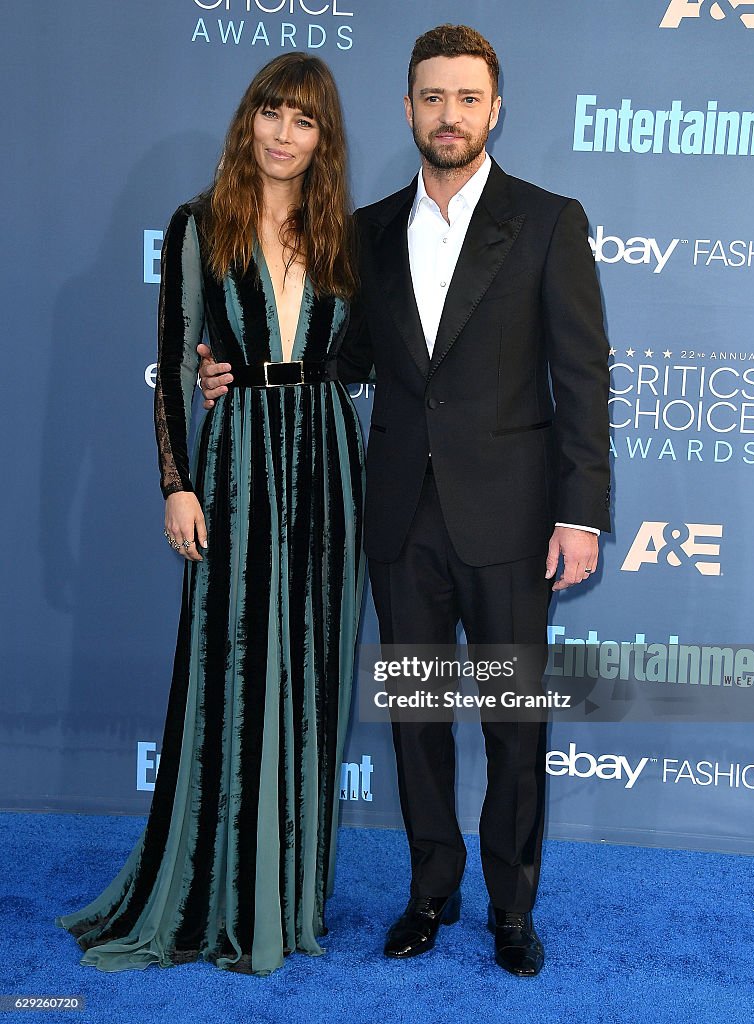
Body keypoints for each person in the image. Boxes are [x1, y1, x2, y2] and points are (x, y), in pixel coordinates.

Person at [200, 25, 611, 977]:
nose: (449, 116)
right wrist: (232, 370)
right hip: (395, 515)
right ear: (407, 108)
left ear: (494, 108)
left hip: (511, 520)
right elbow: (338, 359)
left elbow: (581, 378)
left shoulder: (548, 219)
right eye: (432, 98)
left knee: (513, 726)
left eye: (467, 99)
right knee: (418, 721)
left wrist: (579, 513)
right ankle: (431, 890)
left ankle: (512, 906)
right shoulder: (367, 229)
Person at [55, 53, 366, 976]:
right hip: (232, 469)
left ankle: (290, 893)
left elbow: (377, 355)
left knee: (309, 675)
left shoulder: (344, 234)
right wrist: (176, 484)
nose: (282, 133)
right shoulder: (200, 224)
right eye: (270, 112)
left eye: (302, 120)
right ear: (248, 123)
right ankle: (216, 889)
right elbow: (169, 366)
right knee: (229, 670)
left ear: (323, 139)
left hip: (326, 466)